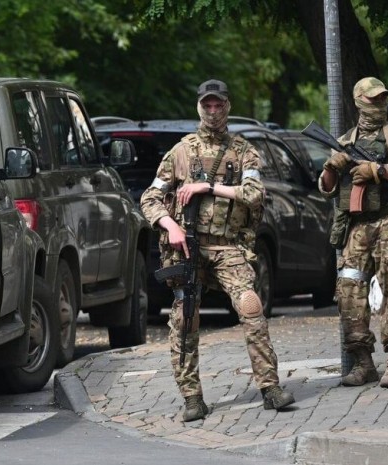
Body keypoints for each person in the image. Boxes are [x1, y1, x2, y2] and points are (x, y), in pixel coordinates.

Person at [139, 79, 295, 422]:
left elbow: (254, 193)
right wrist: (170, 225)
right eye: (207, 105)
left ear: (228, 106)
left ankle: (270, 388)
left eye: (218, 105)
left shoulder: (243, 151)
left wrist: (208, 186)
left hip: (228, 247)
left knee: (251, 307)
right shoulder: (180, 152)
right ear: (199, 107)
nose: (213, 111)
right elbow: (149, 198)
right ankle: (192, 397)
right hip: (188, 249)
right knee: (185, 318)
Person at [318, 77, 388, 388]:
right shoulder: (345, 141)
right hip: (357, 228)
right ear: (358, 101)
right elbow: (326, 188)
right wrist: (331, 167)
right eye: (372, 99)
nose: (379, 104)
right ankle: (363, 363)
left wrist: (378, 170)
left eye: (382, 98)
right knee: (349, 292)